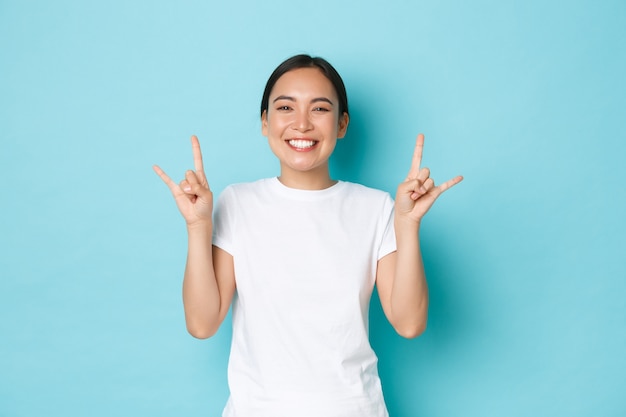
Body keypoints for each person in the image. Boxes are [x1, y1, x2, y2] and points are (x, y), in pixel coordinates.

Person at [153, 54, 463, 417]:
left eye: (319, 109)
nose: (301, 124)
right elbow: (202, 324)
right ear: (265, 122)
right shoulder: (238, 202)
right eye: (285, 107)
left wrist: (408, 225)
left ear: (342, 124)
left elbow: (409, 323)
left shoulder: (376, 208)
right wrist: (197, 226)